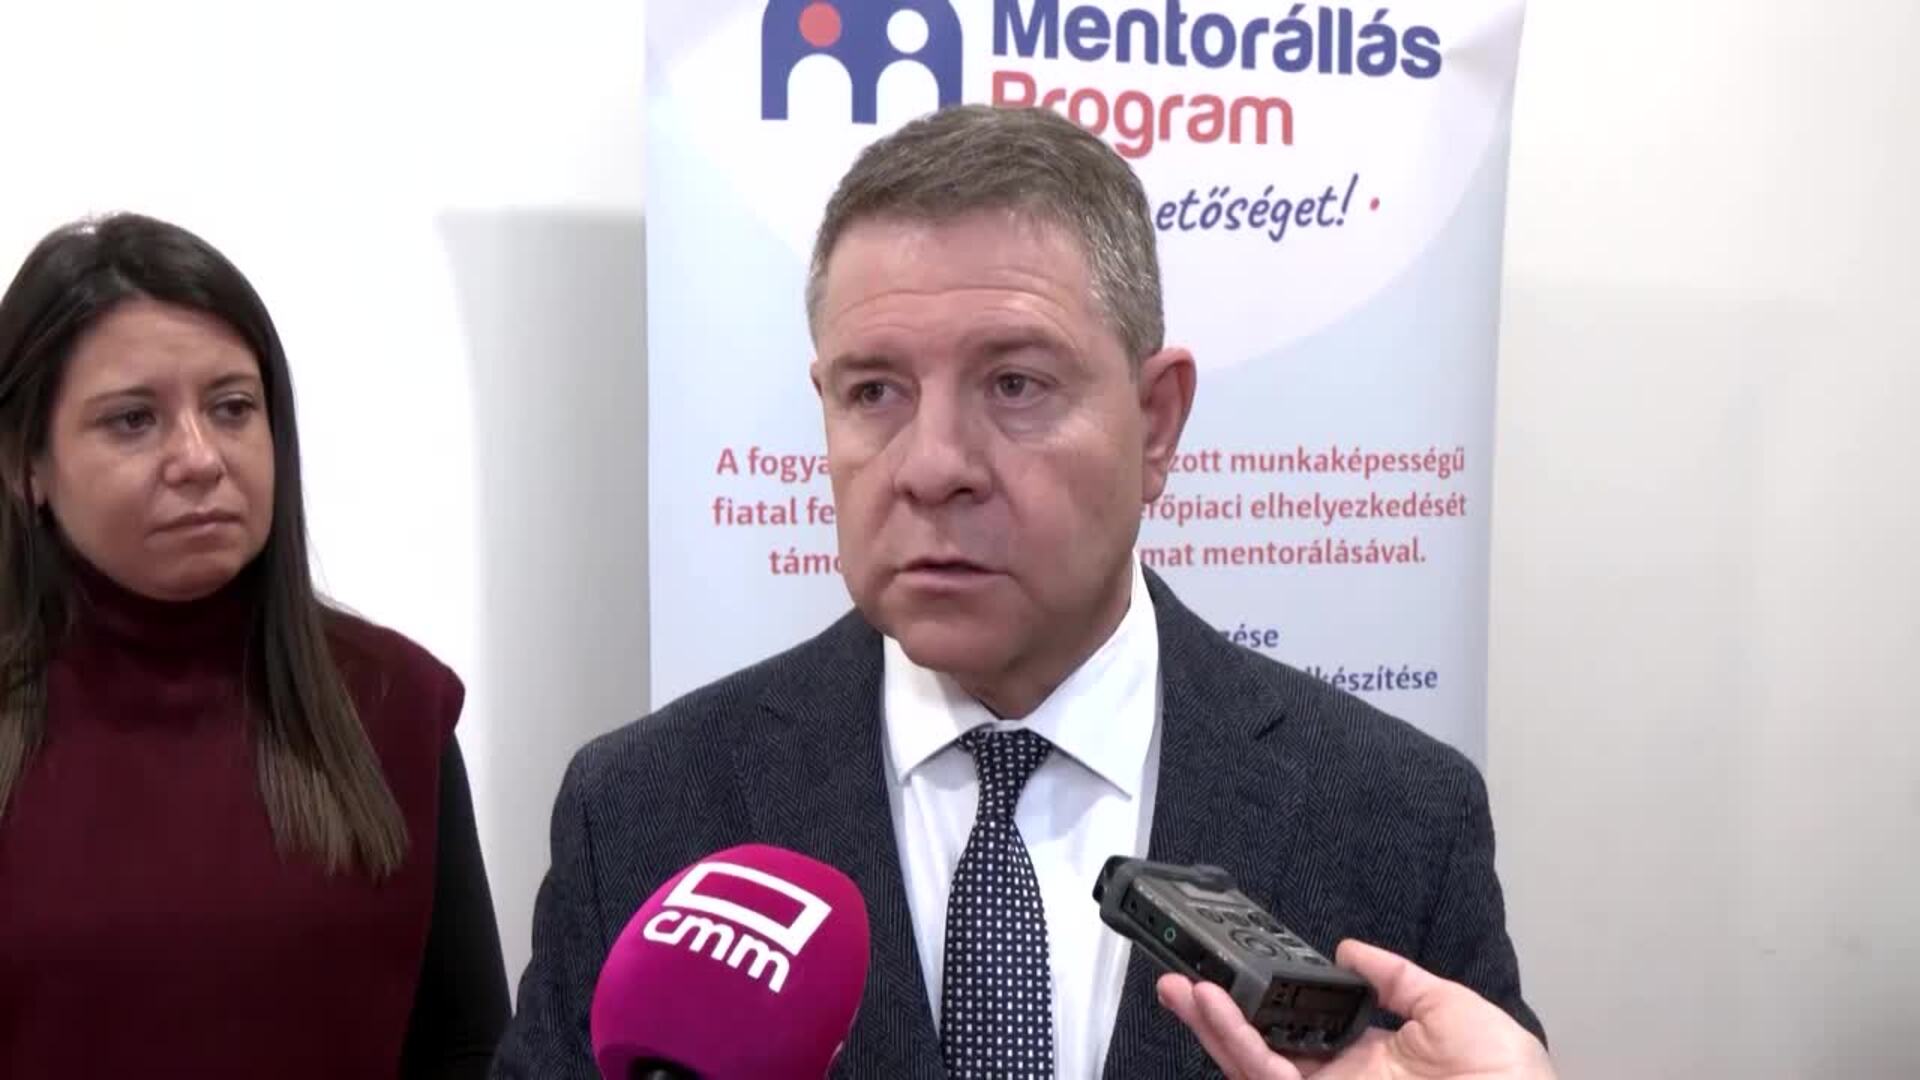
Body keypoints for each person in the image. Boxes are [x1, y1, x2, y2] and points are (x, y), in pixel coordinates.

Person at [493, 104, 1545, 1078]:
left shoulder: (1395, 815)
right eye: (874, 391)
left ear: (1157, 423)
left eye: (1015, 384)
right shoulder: (641, 810)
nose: (931, 465)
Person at [0, 213, 509, 1077]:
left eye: (232, 408)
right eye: (133, 421)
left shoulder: (391, 705)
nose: (199, 458)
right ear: (28, 464)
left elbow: (468, 1051)